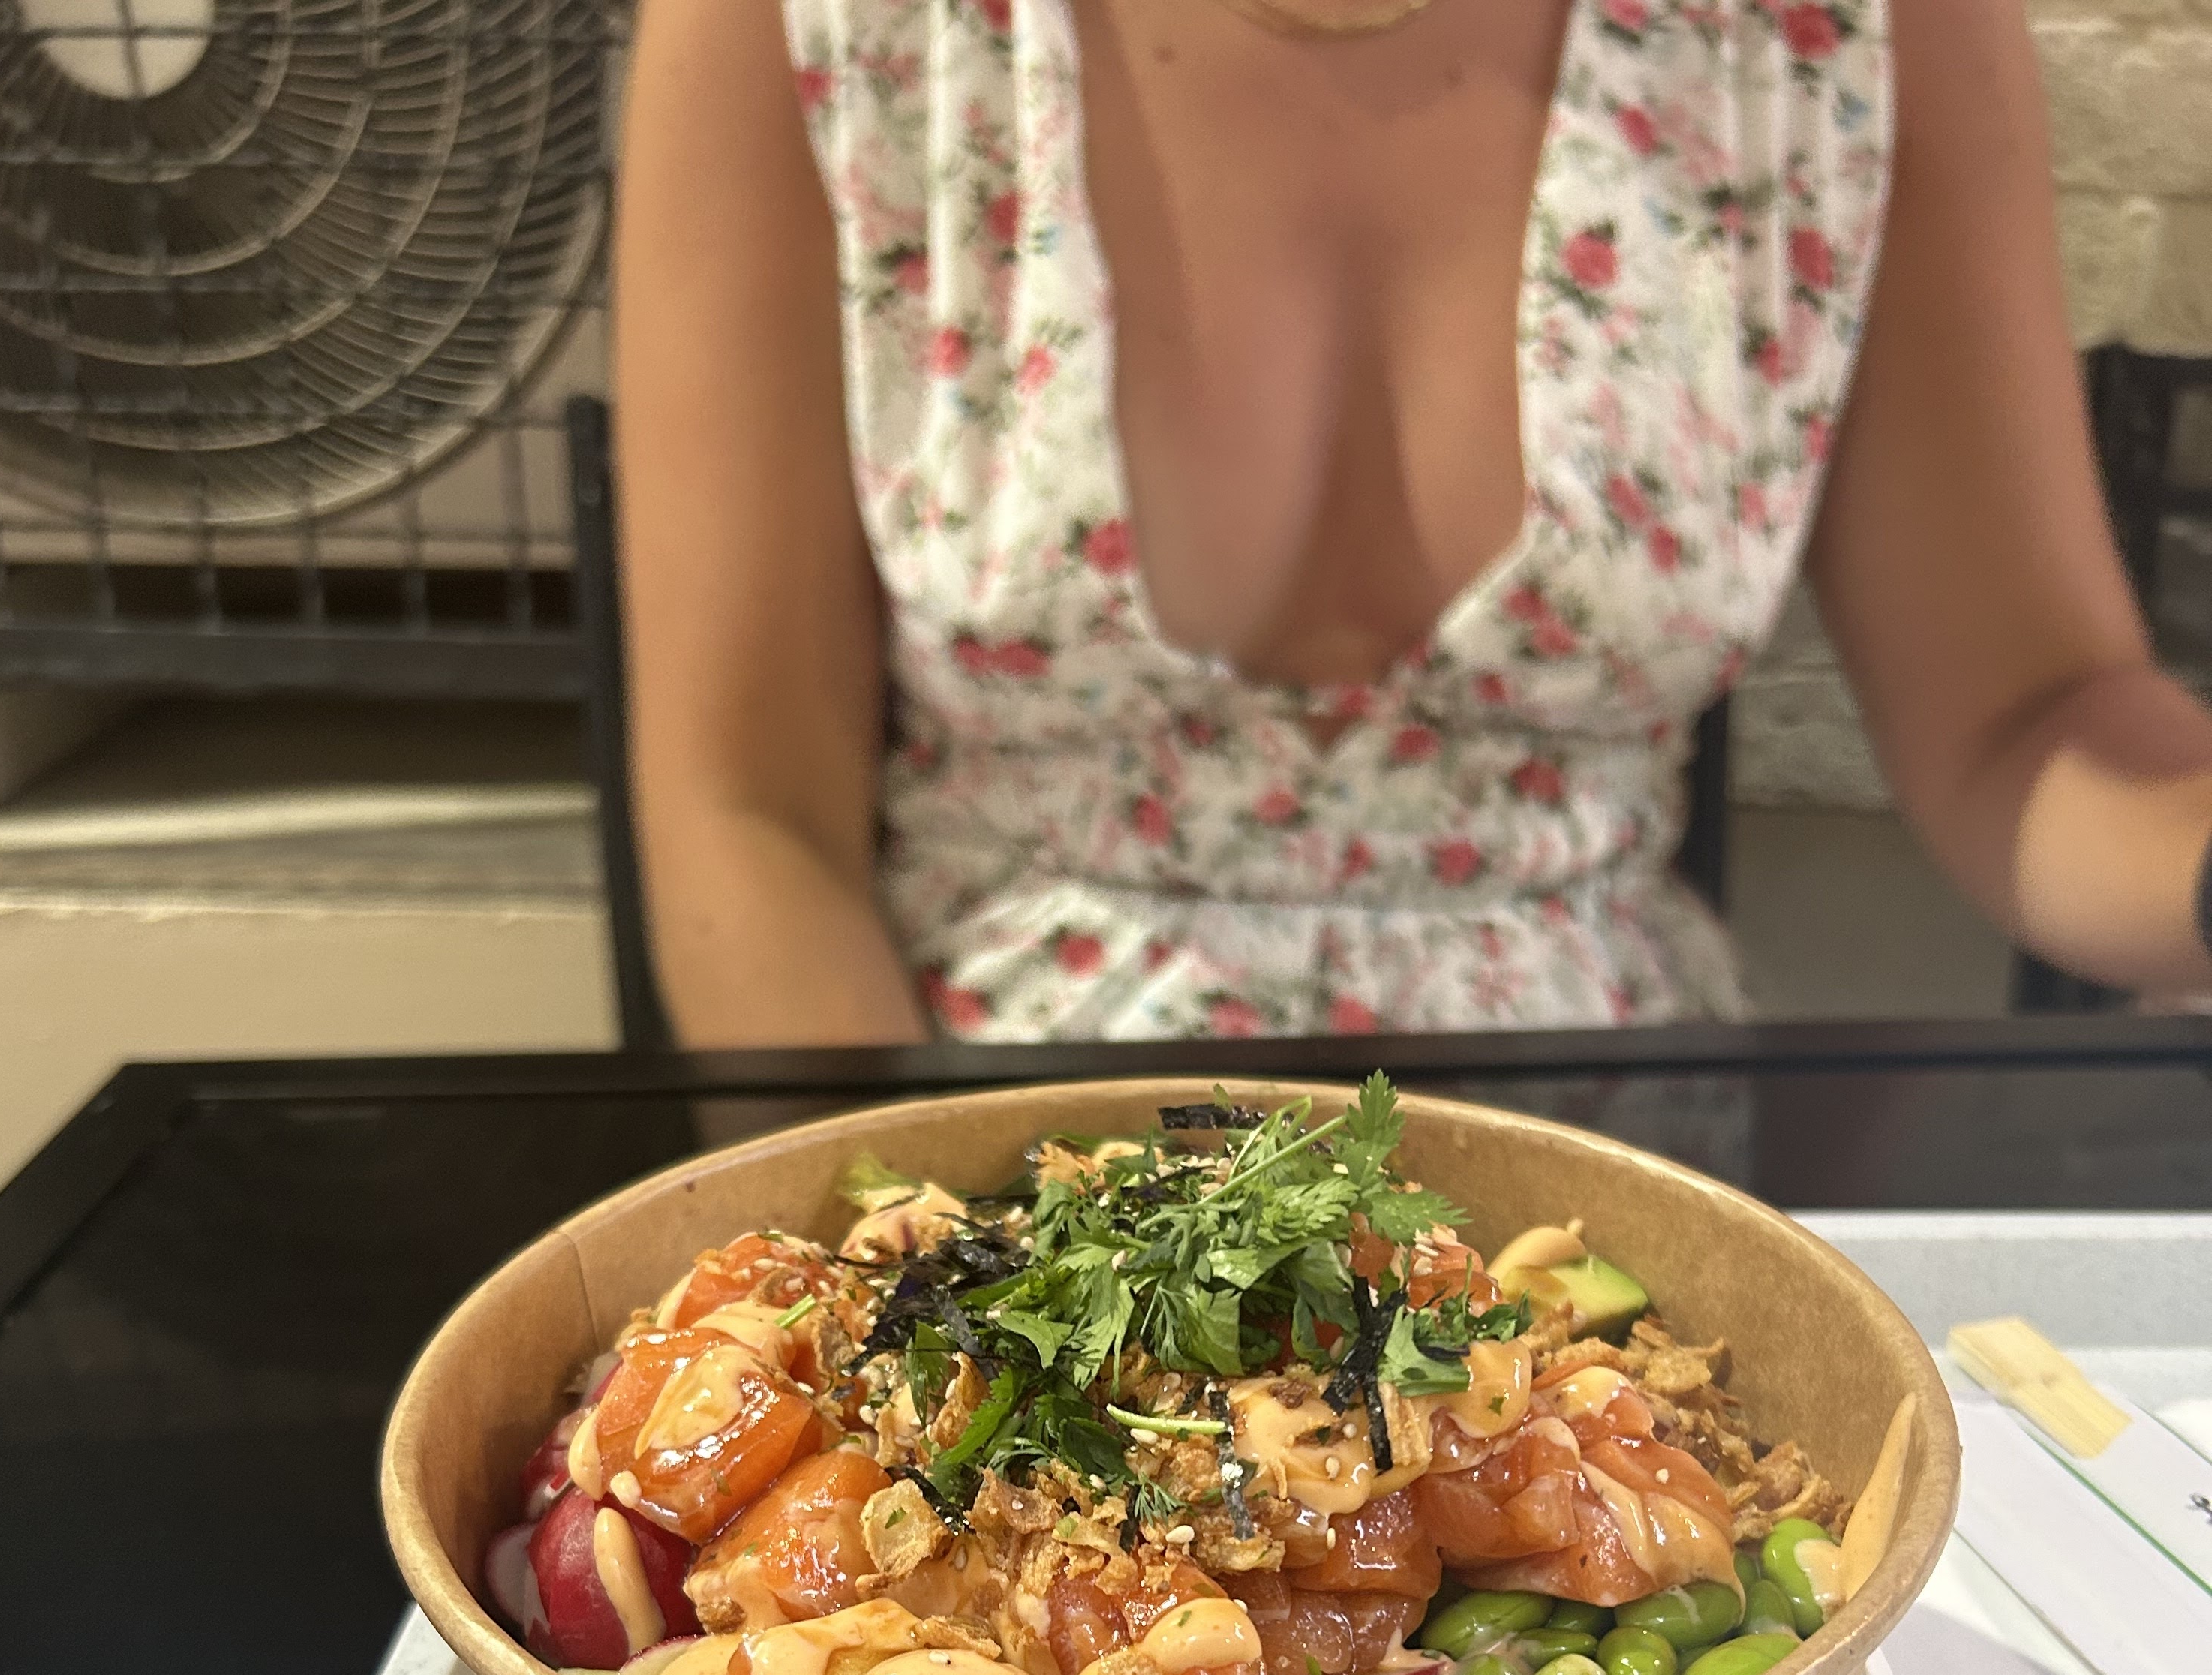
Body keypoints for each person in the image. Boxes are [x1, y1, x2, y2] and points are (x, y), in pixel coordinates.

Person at [613, 0, 2212, 1045]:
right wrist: (882, 1283)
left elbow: (2029, 714)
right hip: (1000, 1197)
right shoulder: (834, 30)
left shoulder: (1836, 36)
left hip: (1611, 1230)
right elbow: (751, 810)